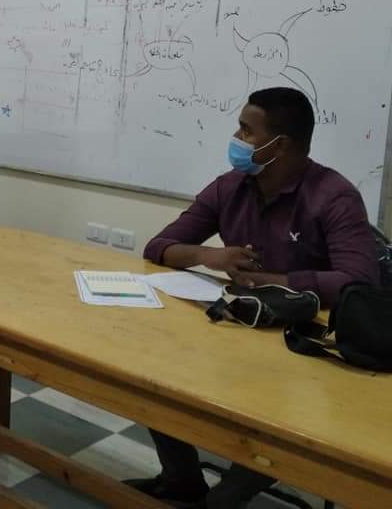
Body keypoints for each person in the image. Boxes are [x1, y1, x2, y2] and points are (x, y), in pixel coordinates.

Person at [125, 86, 379, 508]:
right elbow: (159, 246)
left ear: (282, 145)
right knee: (152, 370)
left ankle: (223, 499)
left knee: (272, 424)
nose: (236, 139)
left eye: (246, 130)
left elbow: (360, 281)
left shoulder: (334, 196)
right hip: (238, 326)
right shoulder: (230, 187)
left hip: (301, 348)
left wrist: (272, 281)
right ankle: (181, 480)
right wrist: (208, 255)